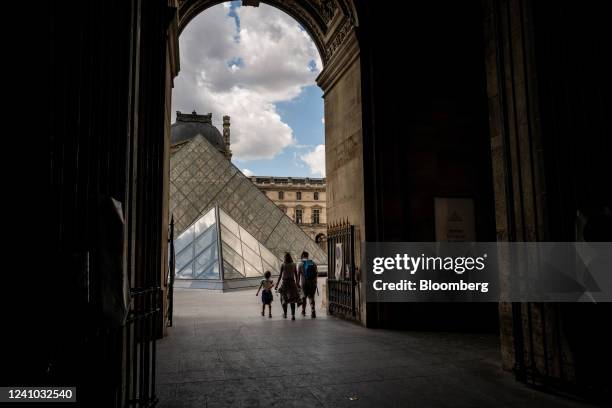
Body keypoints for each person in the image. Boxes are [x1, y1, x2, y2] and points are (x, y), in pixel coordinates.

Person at [275, 252, 301, 320]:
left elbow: (280, 275)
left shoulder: (283, 265)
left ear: (285, 258)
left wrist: (277, 285)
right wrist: (297, 284)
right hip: (292, 283)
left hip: (285, 284)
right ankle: (293, 315)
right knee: (292, 300)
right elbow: (296, 275)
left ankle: (285, 314)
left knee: (283, 299)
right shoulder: (294, 264)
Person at [298, 251, 318, 318]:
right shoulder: (313, 263)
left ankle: (303, 311)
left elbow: (298, 276)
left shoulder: (300, 264)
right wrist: (315, 282)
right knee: (311, 297)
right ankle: (313, 311)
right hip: (312, 283)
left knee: (304, 297)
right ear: (307, 256)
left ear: (303, 256)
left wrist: (297, 284)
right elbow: (316, 274)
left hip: (304, 283)